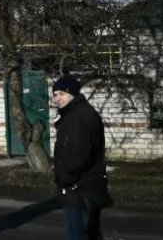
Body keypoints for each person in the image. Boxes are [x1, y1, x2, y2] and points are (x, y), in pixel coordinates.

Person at [52, 74, 112, 240]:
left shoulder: (79, 117)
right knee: (89, 233)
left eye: (61, 94)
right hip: (83, 186)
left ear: (72, 94)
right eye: (55, 95)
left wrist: (64, 179)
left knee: (79, 234)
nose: (57, 99)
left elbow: (78, 154)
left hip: (80, 187)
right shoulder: (74, 115)